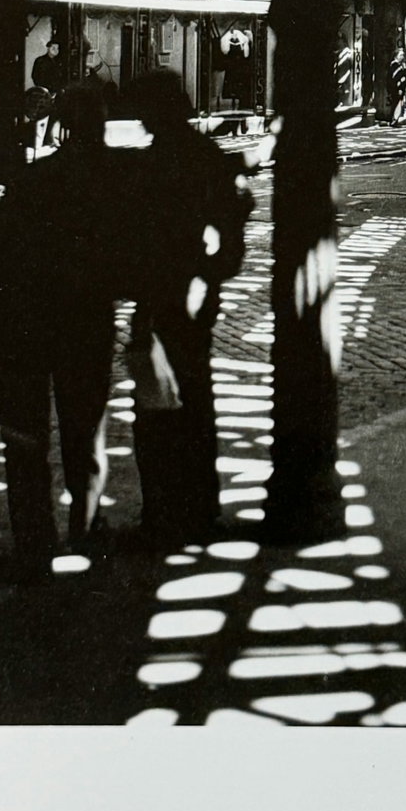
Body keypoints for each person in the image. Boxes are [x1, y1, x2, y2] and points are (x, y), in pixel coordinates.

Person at [0, 81, 120, 581]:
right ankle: (85, 527)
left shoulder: (33, 180)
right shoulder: (113, 183)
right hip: (83, 321)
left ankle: (33, 542)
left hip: (21, 323)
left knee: (25, 437)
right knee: (85, 430)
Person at [120, 71, 253, 549]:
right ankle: (199, 509)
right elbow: (234, 229)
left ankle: (161, 514)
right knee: (194, 403)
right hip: (194, 297)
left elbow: (129, 236)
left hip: (160, 297)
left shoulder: (152, 164)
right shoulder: (207, 158)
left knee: (156, 409)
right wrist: (209, 275)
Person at [28, 38, 65, 153]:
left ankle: (50, 141)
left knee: (54, 118)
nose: (55, 50)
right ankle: (37, 143)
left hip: (56, 94)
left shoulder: (59, 62)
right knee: (41, 119)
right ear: (48, 48)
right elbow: (35, 76)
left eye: (57, 48)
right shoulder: (40, 61)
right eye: (53, 48)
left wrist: (58, 91)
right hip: (43, 94)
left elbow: (61, 79)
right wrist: (44, 90)